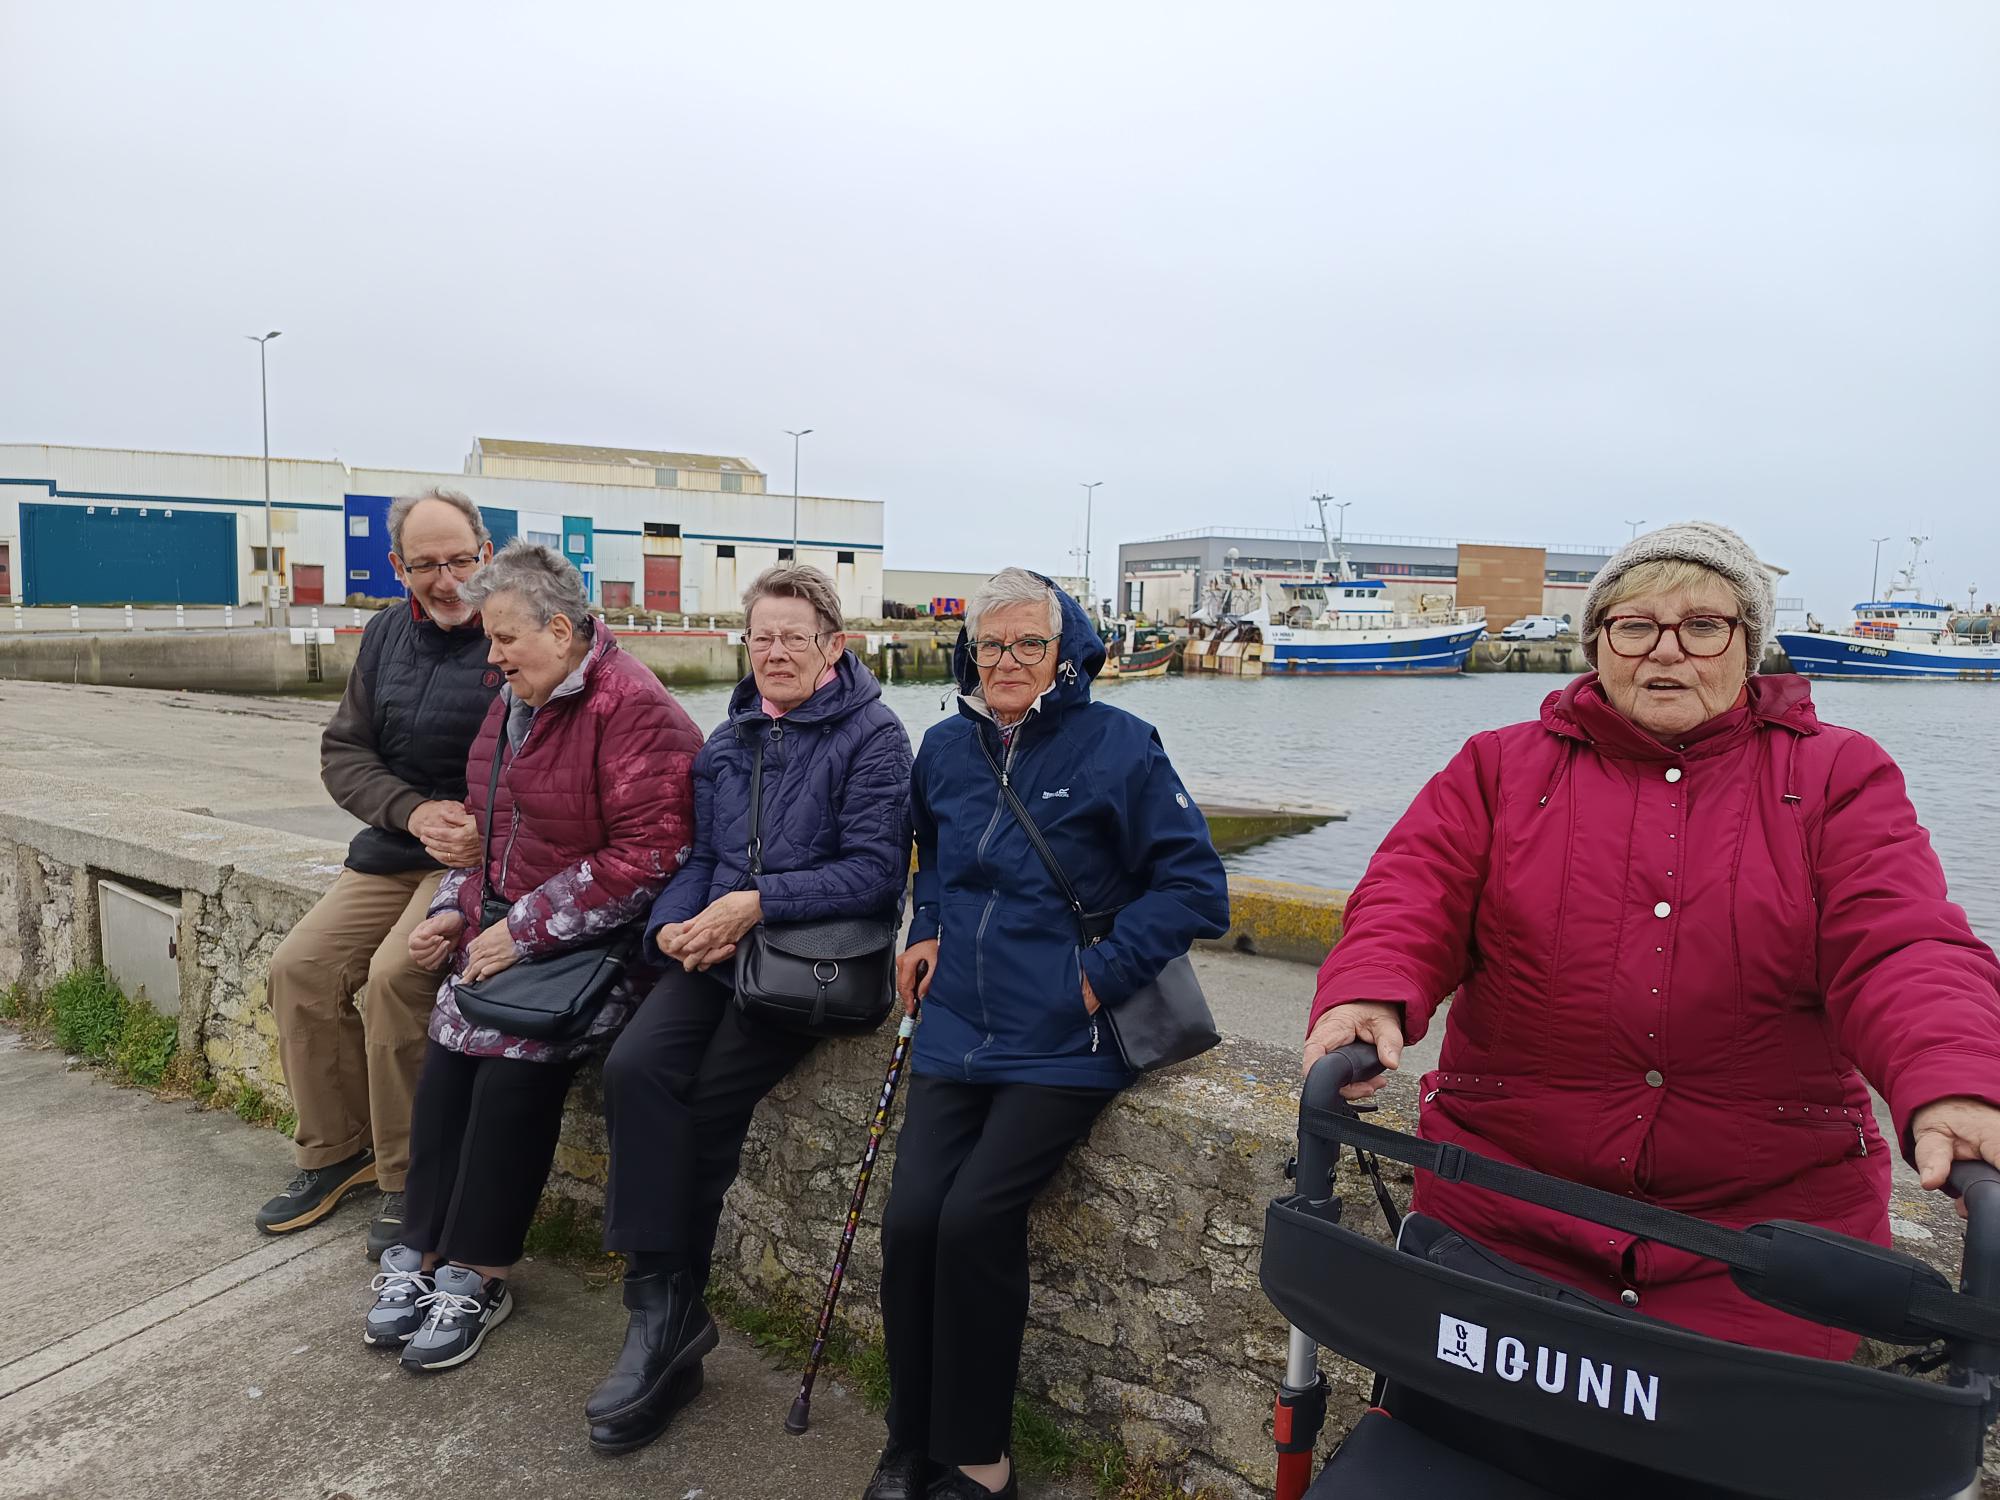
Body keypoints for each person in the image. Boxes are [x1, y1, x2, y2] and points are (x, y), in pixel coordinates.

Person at [1305, 521, 2000, 1368]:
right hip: (1505, 1213)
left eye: (1703, 626)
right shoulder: (1498, 768)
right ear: (1599, 644)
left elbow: (1901, 939)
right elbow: (1413, 892)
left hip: (1765, 1246)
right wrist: (1368, 990)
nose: (1666, 650)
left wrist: (1955, 1080)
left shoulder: (1837, 775)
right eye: (1635, 625)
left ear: (1749, 645)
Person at [868, 569, 1230, 1500]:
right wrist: (926, 927)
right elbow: (934, 855)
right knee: (911, 1222)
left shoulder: (1121, 745)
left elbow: (1195, 889)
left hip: (1068, 1037)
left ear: (1066, 655)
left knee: (973, 1219)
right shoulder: (944, 746)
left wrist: (1096, 977)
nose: (1007, 661)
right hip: (956, 1023)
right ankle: (911, 1436)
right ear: (969, 652)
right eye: (990, 645)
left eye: (1029, 643)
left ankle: (979, 1457)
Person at [586, 564, 913, 1455]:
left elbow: (875, 874)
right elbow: (700, 858)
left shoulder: (876, 737)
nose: (774, 652)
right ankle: (665, 1310)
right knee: (633, 1068)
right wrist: (672, 925)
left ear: (833, 646)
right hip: (722, 948)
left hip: (807, 965)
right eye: (761, 636)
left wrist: (758, 903)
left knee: (704, 1110)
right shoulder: (728, 741)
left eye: (793, 638)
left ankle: (660, 1334)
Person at [361, 541, 702, 1373]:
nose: (493, 655)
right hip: (512, 931)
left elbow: (650, 858)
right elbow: (485, 835)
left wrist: (523, 931)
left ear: (559, 629)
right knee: (449, 1050)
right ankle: (423, 1246)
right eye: (490, 638)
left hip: (597, 948)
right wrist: (451, 911)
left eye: (505, 637)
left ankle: (481, 1271)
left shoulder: (636, 709)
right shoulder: (515, 701)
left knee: (514, 1066)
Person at [257, 487, 498, 1256]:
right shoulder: (387, 634)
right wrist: (412, 812)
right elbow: (345, 753)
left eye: (460, 560)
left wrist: (481, 824)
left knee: (397, 977)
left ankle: (408, 1176)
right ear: (398, 568)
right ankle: (336, 1151)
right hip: (396, 848)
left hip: (480, 860)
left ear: (487, 555)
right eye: (426, 565)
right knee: (298, 970)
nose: (446, 580)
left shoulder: (519, 630)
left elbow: (562, 758)